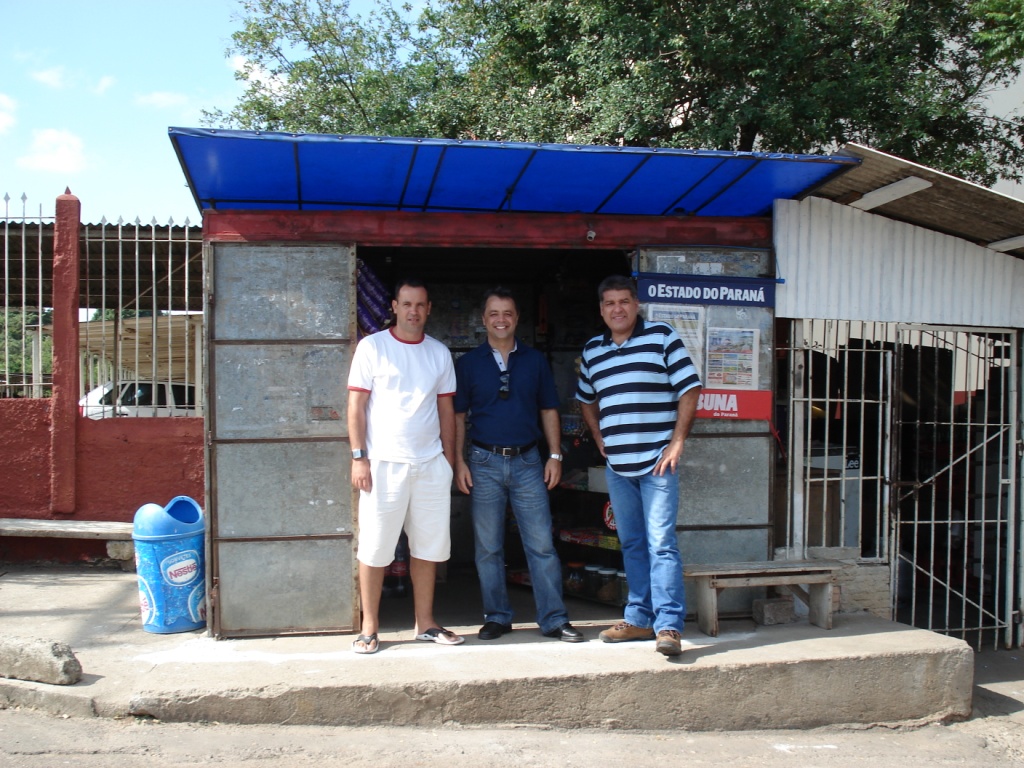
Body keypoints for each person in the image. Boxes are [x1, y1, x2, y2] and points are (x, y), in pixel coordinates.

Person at [576, 275, 702, 657]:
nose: (618, 309)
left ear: (636, 305)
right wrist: (599, 438)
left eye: (625, 302)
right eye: (610, 303)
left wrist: (677, 442)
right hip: (618, 466)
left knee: (661, 544)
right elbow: (585, 399)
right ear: (601, 310)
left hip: (657, 464)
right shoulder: (593, 351)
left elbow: (690, 388)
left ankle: (668, 627)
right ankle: (639, 619)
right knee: (631, 542)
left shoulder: (662, 337)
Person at [454, 287, 583, 643]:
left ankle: (554, 619)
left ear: (517, 318)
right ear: (483, 320)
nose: (500, 320)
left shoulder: (534, 360)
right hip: (483, 461)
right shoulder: (468, 364)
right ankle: (496, 616)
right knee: (488, 547)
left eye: (507, 313)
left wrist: (555, 455)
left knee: (541, 544)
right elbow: (458, 415)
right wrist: (458, 462)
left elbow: (548, 410)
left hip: (528, 461)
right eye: (493, 313)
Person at [346, 277, 463, 654]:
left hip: (429, 465)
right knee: (376, 548)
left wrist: (448, 462)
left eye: (420, 305)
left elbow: (447, 412)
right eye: (406, 304)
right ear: (394, 307)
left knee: (428, 547)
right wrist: (358, 457)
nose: (413, 311)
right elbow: (356, 406)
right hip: (382, 464)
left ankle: (425, 624)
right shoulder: (373, 347)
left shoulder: (439, 353)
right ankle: (369, 627)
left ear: (429, 310)